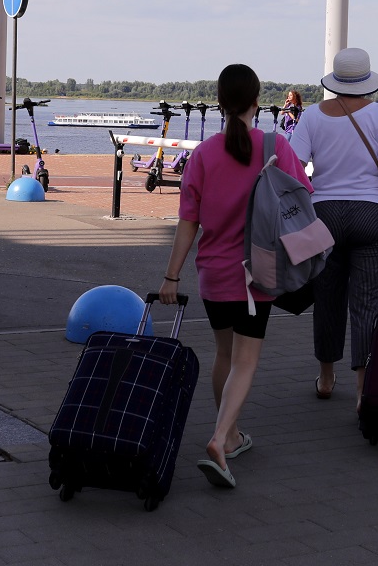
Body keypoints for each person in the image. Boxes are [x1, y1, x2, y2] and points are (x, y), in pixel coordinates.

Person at [157, 63, 312, 490]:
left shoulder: (204, 154)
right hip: (259, 271)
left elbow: (188, 221)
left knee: (224, 354)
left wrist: (171, 277)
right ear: (257, 101)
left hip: (213, 274)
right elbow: (302, 199)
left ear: (221, 102)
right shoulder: (276, 145)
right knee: (247, 360)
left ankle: (235, 433)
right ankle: (221, 438)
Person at [288, 48, 378, 413]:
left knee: (327, 298)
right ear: (367, 79)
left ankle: (325, 378)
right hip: (373, 217)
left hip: (324, 217)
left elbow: (292, 169)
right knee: (367, 302)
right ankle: (362, 388)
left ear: (335, 82)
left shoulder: (311, 117)